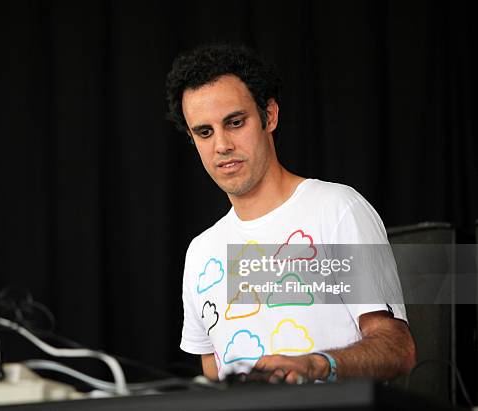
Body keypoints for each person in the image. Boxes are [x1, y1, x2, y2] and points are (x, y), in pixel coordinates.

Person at [166, 44, 416, 384]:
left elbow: (398, 349)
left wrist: (316, 365)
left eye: (235, 122)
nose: (221, 145)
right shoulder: (201, 251)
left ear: (270, 115)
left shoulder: (337, 208)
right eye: (204, 132)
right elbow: (213, 370)